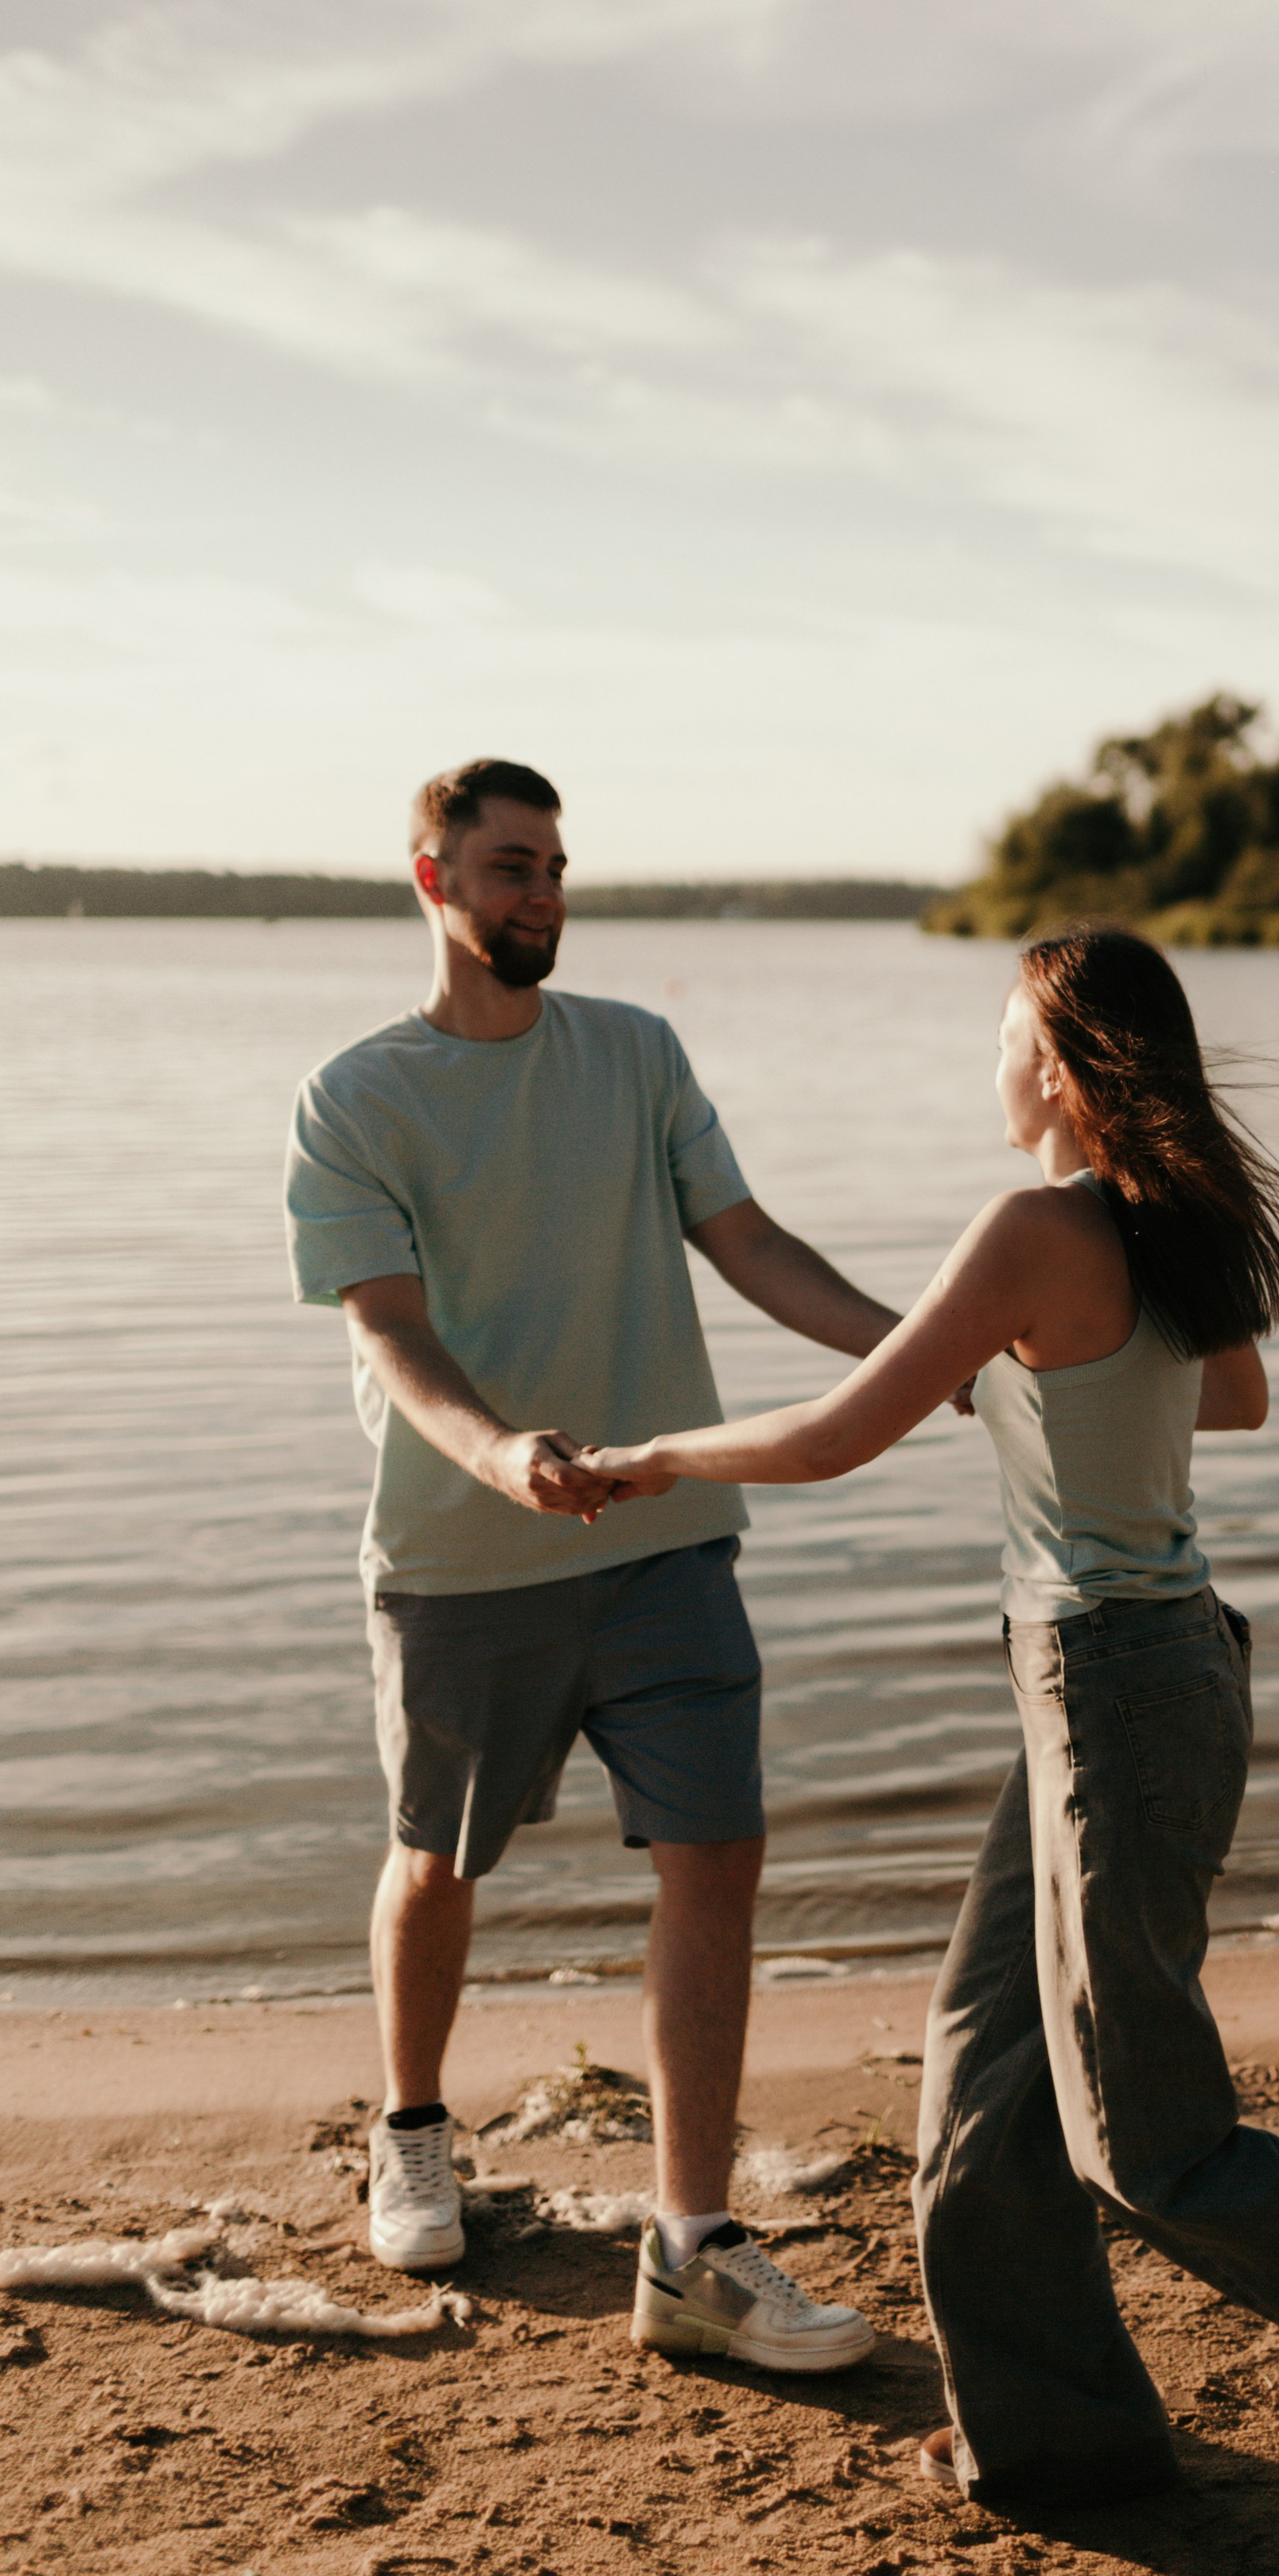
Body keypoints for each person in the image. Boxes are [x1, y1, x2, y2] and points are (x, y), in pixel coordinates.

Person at [581, 921, 1279, 2504]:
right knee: (982, 2091)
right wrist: (1057, 1375)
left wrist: (658, 1456)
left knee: (1144, 2141)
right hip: (1131, 1676)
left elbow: (842, 1434)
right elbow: (1229, 1393)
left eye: (1001, 1034)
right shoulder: (1154, 1223)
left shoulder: (1035, 1226)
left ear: (1053, 1066)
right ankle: (1058, 2441)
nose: (986, 1061)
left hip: (1117, 1688)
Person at [282, 755, 888, 2374]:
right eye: (504, 869)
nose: (538, 896)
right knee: (439, 1859)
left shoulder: (634, 1054)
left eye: (551, 867)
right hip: (460, 1553)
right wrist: (502, 1457)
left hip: (669, 1541)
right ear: (432, 881)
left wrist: (916, 1355)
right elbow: (392, 1335)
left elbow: (748, 1244)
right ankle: (413, 2129)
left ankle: (693, 2240)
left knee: (717, 1853)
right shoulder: (357, 1096)